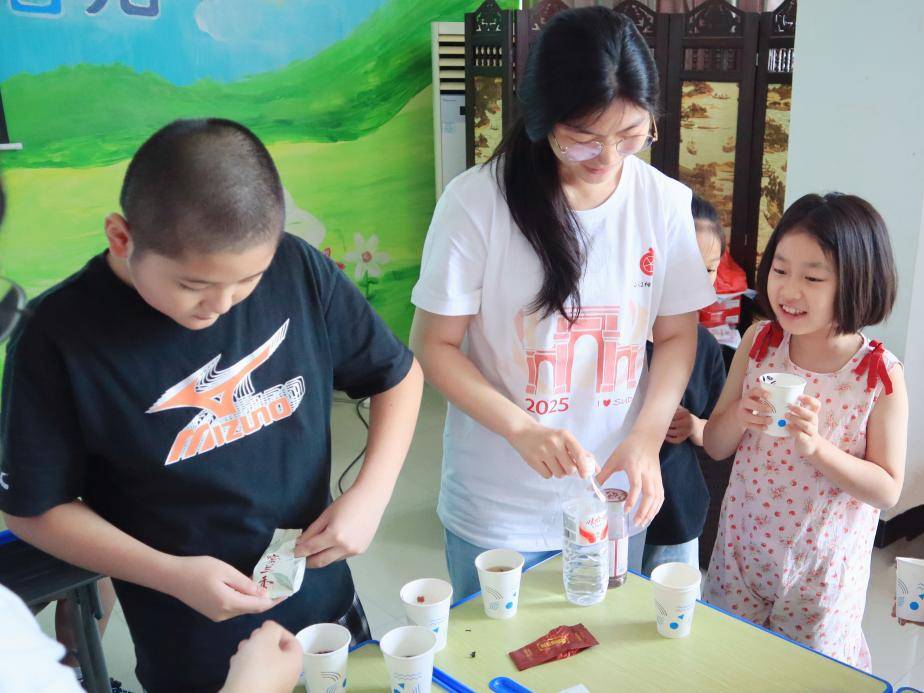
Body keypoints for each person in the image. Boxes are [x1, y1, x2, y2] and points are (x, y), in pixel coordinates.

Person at [0, 119, 423, 692]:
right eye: (193, 286)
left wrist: (371, 495)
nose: (222, 305)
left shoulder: (296, 267)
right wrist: (170, 574)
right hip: (189, 633)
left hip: (326, 611)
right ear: (122, 237)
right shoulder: (57, 338)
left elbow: (398, 376)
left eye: (248, 281)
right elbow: (33, 509)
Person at [410, 6, 715, 597]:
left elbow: (678, 335)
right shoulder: (476, 203)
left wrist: (646, 438)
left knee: (604, 645)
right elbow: (433, 344)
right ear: (542, 118)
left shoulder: (664, 203)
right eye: (583, 139)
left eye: (631, 136)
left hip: (614, 491)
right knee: (495, 649)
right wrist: (521, 429)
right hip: (500, 503)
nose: (607, 158)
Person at [702, 193, 908, 670]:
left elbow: (887, 489)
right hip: (741, 554)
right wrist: (739, 416)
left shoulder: (878, 374)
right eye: (780, 270)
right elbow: (714, 445)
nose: (789, 290)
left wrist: (817, 448)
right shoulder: (759, 342)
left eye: (813, 278)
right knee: (727, 665)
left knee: (802, 675)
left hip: (821, 574)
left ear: (857, 281)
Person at [640, 195, 726, 576]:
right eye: (686, 266)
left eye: (709, 269)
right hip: (618, 506)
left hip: (677, 514)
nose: (698, 281)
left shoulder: (706, 347)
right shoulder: (623, 340)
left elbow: (717, 434)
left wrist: (693, 426)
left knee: (672, 604)